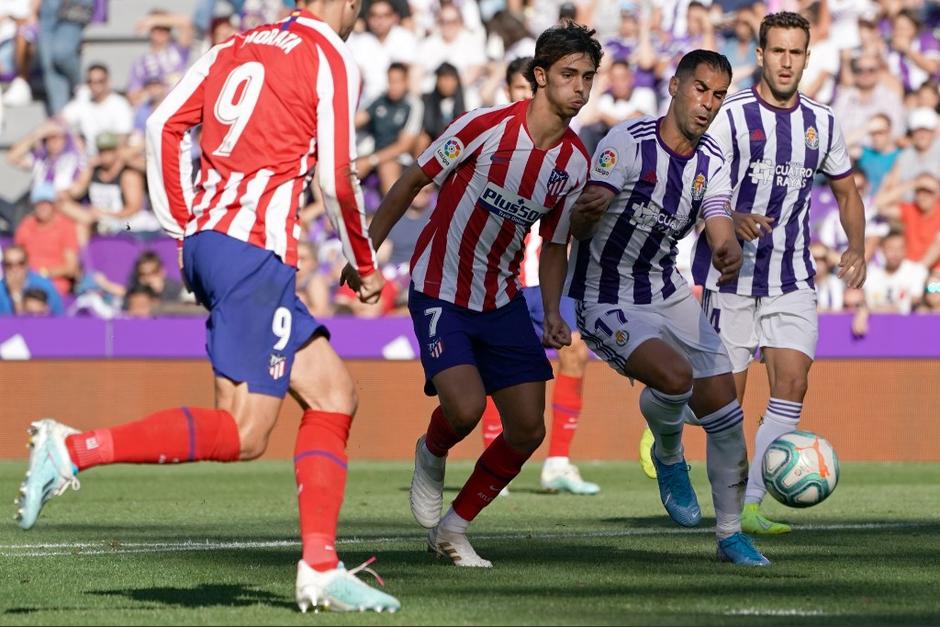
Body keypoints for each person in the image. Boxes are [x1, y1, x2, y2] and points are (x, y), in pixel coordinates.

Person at [15, 0, 400, 614]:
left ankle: (321, 568)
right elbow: (335, 176)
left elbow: (161, 124)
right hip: (253, 251)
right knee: (245, 434)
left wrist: (182, 229)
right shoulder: (329, 52)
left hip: (213, 241)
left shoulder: (235, 44)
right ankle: (72, 449)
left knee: (334, 395)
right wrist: (364, 262)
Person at [342, 22, 600, 567]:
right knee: (464, 409)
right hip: (439, 288)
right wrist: (365, 253)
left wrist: (555, 310)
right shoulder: (483, 127)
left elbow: (555, 244)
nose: (580, 87)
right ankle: (431, 450)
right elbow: (412, 181)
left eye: (588, 77)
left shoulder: (575, 163)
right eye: (569, 74)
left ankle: (453, 529)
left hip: (502, 299)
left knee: (527, 428)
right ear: (540, 76)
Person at [568, 49, 768, 566]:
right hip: (604, 294)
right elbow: (587, 211)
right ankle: (669, 452)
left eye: (718, 95)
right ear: (675, 86)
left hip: (666, 289)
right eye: (700, 89)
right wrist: (586, 211)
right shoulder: (627, 142)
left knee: (726, 411)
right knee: (676, 377)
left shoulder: (712, 161)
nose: (708, 103)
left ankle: (730, 536)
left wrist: (727, 248)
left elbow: (717, 218)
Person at [685, 12, 866, 535]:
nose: (787, 62)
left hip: (792, 277)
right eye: (778, 51)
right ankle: (668, 417)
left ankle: (750, 506)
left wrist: (857, 245)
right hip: (729, 277)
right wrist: (729, 217)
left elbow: (846, 191)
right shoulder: (730, 115)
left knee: (793, 382)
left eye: (796, 52)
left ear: (807, 58)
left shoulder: (823, 122)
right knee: (723, 405)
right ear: (761, 55)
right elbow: (695, 184)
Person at [476, 55, 599, 496]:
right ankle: (493, 461)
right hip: (502, 274)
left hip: (546, 272)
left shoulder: (569, 150)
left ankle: (558, 462)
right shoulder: (495, 139)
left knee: (575, 351)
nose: (525, 95)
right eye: (517, 87)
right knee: (498, 367)